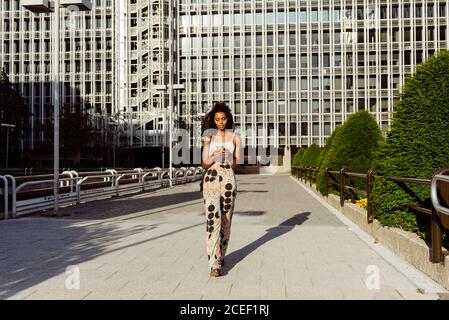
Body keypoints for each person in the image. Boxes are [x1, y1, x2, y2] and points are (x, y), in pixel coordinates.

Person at [201, 102, 241, 277]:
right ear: (213, 121)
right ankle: (214, 264)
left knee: (226, 220)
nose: (221, 122)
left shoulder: (235, 138)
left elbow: (236, 165)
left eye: (223, 119)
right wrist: (214, 155)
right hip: (211, 178)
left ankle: (221, 253)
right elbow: (203, 164)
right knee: (213, 220)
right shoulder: (208, 137)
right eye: (217, 119)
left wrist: (230, 156)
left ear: (228, 119)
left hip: (228, 180)